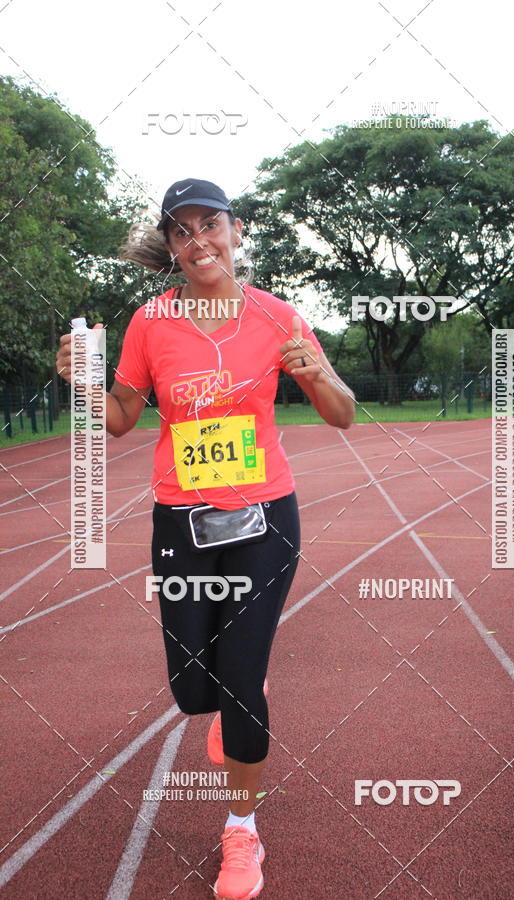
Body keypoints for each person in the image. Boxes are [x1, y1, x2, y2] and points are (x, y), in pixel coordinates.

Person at [56, 178, 355, 900]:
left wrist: (316, 377)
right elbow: (124, 415)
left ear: (236, 230)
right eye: (182, 232)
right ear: (171, 246)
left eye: (209, 226)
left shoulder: (280, 317)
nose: (198, 242)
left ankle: (242, 831)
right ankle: (224, 701)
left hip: (263, 519)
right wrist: (81, 386)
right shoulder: (151, 322)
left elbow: (343, 413)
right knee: (195, 692)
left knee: (242, 682)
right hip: (181, 522)